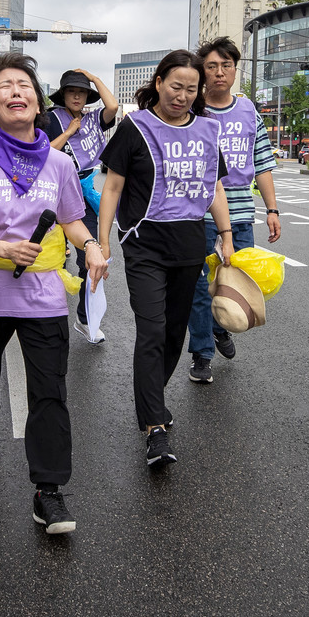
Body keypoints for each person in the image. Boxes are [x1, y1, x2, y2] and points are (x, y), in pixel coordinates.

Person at [0, 52, 107, 535]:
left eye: (25, 86)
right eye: (5, 86)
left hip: (43, 298)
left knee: (50, 393)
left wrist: (93, 247)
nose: (17, 92)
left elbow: (73, 220)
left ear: (38, 103)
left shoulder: (59, 163)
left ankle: (49, 492)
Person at [96, 49, 233, 470]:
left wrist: (226, 236)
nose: (183, 96)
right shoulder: (134, 127)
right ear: (158, 83)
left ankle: (153, 400)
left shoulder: (208, 131)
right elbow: (113, 188)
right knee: (152, 330)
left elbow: (213, 189)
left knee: (175, 333)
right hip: (144, 245)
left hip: (190, 245)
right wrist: (102, 243)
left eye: (192, 89)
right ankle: (155, 425)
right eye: (176, 86)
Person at [185, 37, 282, 384]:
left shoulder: (248, 110)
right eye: (211, 66)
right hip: (199, 213)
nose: (219, 72)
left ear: (235, 70)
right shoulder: (193, 110)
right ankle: (201, 353)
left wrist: (272, 209)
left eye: (226, 65)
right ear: (203, 71)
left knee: (232, 281)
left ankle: (218, 326)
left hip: (241, 213)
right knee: (200, 286)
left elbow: (263, 163)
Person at [47, 69, 120, 343]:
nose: (77, 96)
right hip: (54, 193)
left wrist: (93, 77)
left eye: (82, 91)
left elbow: (112, 106)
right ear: (63, 94)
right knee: (46, 258)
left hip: (84, 195)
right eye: (71, 91)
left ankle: (84, 317)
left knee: (89, 260)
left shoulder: (93, 121)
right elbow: (42, 153)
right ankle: (38, 316)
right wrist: (68, 132)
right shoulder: (50, 118)